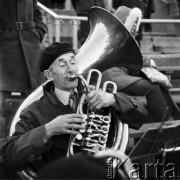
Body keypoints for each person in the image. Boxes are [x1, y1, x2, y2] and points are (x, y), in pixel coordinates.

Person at [1, 42, 143, 173]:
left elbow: (142, 116)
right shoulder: (34, 111)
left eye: (73, 62)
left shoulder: (98, 96)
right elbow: (10, 157)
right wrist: (48, 130)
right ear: (49, 74)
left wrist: (114, 99)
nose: (71, 69)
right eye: (62, 65)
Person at [101, 6, 178, 123]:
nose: (135, 27)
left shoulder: (126, 39)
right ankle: (166, 122)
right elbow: (134, 60)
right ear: (125, 23)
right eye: (133, 23)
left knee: (157, 83)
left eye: (136, 24)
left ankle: (172, 115)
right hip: (113, 76)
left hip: (120, 74)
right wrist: (149, 63)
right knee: (152, 88)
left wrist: (147, 64)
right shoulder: (117, 39)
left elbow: (135, 60)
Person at [0, 0, 47, 138]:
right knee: (6, 107)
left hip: (32, 49)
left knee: (33, 101)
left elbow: (36, 11)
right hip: (5, 51)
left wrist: (39, 31)